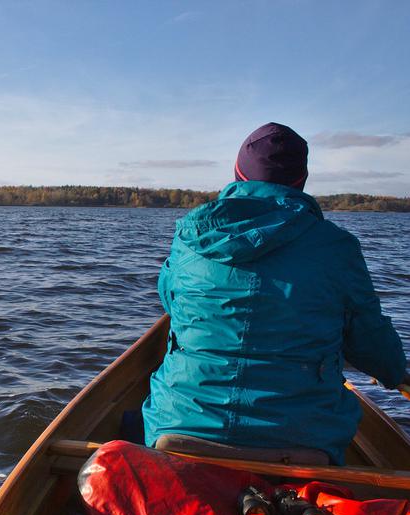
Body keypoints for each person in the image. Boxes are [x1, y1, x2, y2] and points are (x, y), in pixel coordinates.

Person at [142, 122, 409, 465]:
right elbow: (370, 340)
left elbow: (170, 300)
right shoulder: (338, 248)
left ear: (238, 174)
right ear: (300, 181)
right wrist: (393, 370)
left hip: (179, 428)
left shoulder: (190, 238)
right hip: (304, 441)